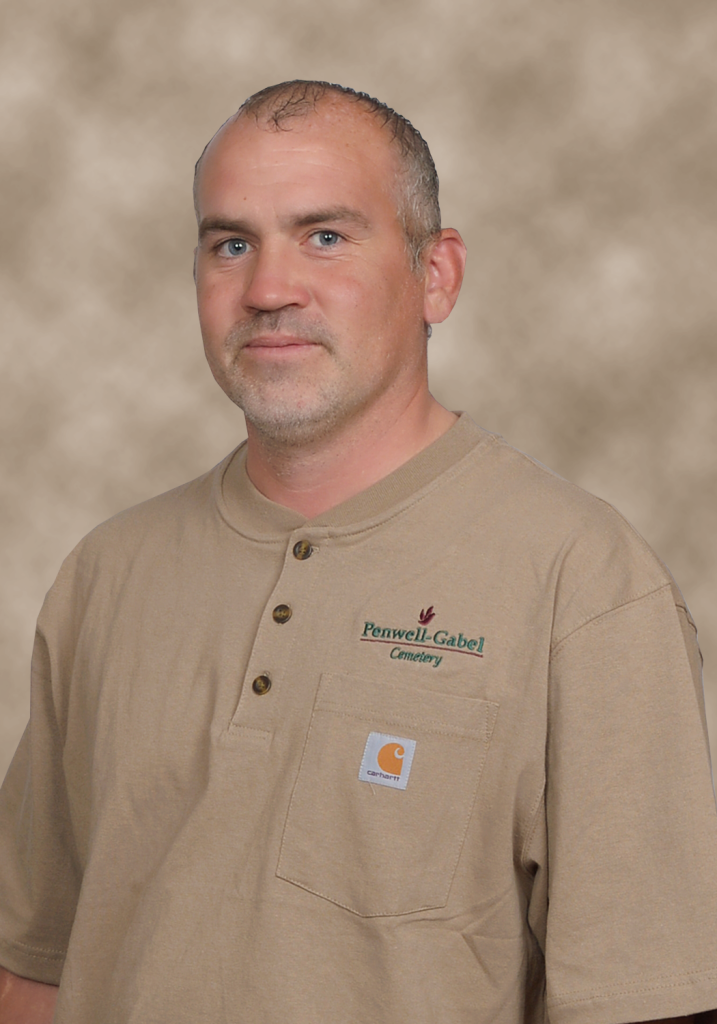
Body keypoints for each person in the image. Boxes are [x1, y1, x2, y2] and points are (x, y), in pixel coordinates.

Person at [0, 80, 716, 1024]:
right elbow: (34, 969)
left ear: (436, 276)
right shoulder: (107, 573)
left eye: (325, 236)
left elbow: (648, 1004)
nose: (267, 288)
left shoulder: (582, 584)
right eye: (231, 244)